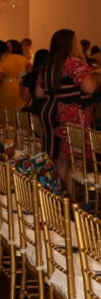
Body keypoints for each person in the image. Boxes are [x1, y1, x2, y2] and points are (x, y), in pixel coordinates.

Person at [35, 29, 99, 194]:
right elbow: (89, 88)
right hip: (69, 115)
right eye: (75, 41)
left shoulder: (47, 65)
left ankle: (61, 196)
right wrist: (94, 78)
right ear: (69, 44)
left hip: (49, 114)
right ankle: (71, 199)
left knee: (59, 158)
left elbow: (39, 94)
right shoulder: (74, 63)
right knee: (76, 160)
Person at [0, 39, 28, 111]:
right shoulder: (21, 58)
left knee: (8, 114)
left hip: (7, 92)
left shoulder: (2, 63)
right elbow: (28, 71)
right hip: (22, 90)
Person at [20, 48, 49, 114]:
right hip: (50, 108)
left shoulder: (30, 76)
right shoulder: (52, 75)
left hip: (36, 109)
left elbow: (24, 97)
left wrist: (22, 81)